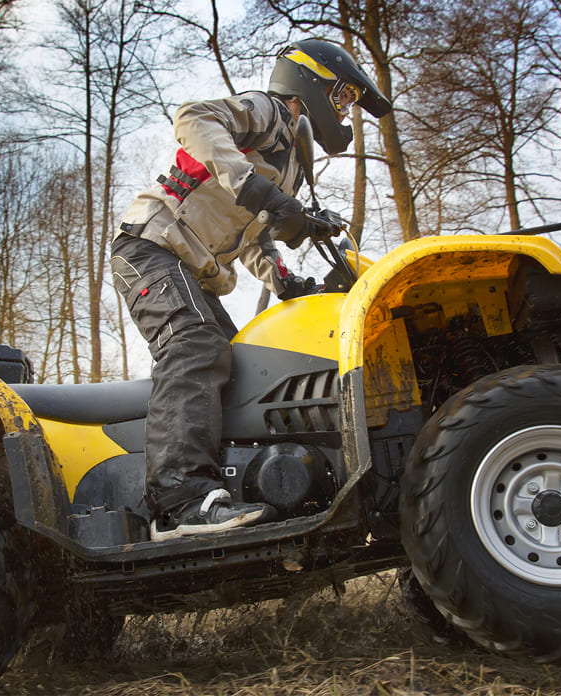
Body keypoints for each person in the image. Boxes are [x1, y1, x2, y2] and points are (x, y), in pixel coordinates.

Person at [110, 39, 392, 541]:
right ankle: (179, 501)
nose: (345, 110)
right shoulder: (268, 112)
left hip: (185, 267)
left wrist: (286, 281)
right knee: (196, 343)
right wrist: (253, 186)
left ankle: (227, 487)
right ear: (310, 83)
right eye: (343, 97)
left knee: (242, 362)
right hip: (150, 246)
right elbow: (193, 118)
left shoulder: (286, 163)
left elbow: (253, 237)